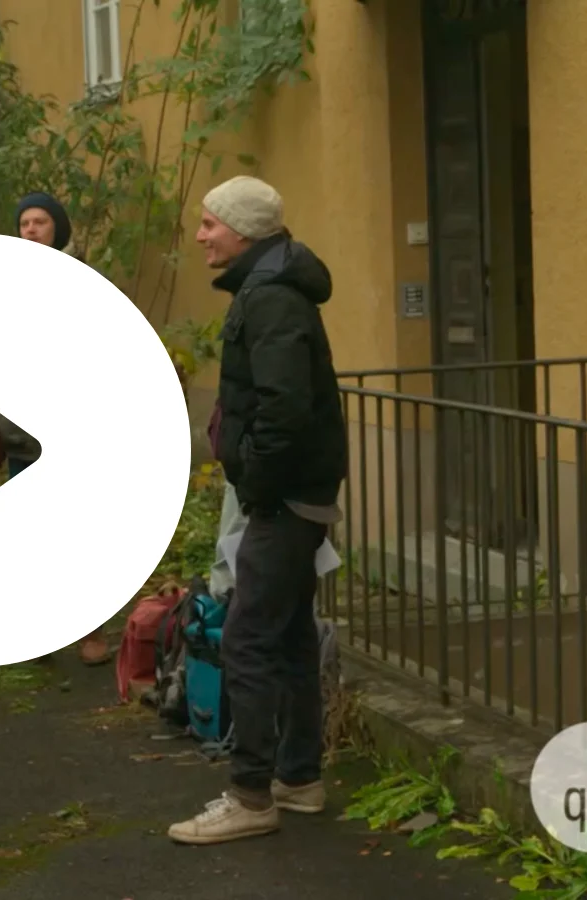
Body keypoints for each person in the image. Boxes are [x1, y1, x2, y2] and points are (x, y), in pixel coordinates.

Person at [168, 176, 348, 845]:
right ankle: (298, 779)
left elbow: (283, 408)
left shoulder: (270, 298)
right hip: (297, 491)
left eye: (210, 223)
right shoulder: (269, 287)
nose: (201, 234)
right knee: (291, 633)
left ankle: (250, 796)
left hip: (285, 497)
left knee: (247, 638)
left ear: (241, 229)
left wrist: (258, 482)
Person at [0, 191, 111, 667]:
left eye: (40, 223)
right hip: (20, 439)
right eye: (24, 223)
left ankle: (89, 630)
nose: (30, 230)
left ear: (59, 229)